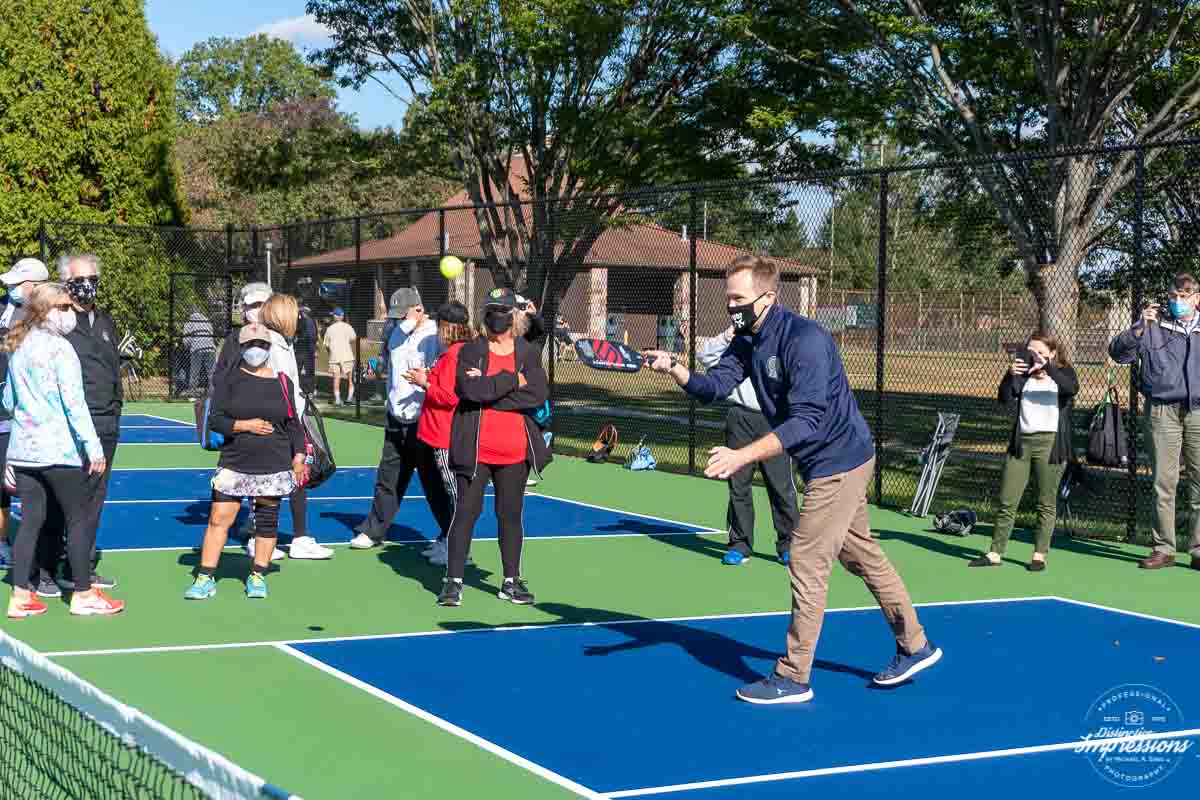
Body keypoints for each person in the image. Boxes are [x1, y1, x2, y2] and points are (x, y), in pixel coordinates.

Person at [642, 255, 940, 704]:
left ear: (769, 297)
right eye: (729, 298)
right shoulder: (747, 339)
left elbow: (807, 422)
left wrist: (741, 455)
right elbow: (716, 387)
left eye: (739, 299)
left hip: (840, 459)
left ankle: (793, 675)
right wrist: (677, 370)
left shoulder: (807, 341)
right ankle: (916, 644)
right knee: (860, 555)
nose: (732, 307)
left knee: (805, 558)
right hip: (826, 461)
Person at [3, 284, 122, 618]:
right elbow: (75, 404)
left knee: (30, 522)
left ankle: (21, 596)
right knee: (79, 519)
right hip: (60, 451)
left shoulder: (18, 346)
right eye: (66, 307)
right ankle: (83, 593)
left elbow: (9, 402)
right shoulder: (61, 349)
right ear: (47, 311)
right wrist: (93, 446)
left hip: (25, 451)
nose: (72, 313)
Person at [437, 288, 552, 608]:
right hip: (475, 449)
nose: (496, 317)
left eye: (502, 310)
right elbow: (469, 390)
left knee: (510, 516)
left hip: (514, 452)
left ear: (514, 316)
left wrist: (492, 386)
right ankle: (453, 582)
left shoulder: (527, 352)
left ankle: (511, 582)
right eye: (491, 310)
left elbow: (537, 395)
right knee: (466, 513)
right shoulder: (472, 350)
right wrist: (513, 379)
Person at [184, 323, 307, 601]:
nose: (256, 350)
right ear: (240, 348)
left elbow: (293, 424)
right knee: (219, 518)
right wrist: (245, 425)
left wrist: (299, 456)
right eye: (250, 345)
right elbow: (216, 420)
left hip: (273, 465)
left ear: (269, 349)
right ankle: (204, 577)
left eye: (262, 345)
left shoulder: (283, 382)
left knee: (266, 521)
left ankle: (257, 575)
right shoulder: (228, 380)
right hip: (235, 462)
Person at [34, 254, 124, 596]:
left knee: (92, 501)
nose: (87, 285)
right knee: (58, 499)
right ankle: (43, 569)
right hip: (67, 427)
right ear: (65, 282)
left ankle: (78, 568)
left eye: (93, 277)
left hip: (105, 424)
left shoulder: (105, 321)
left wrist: (115, 411)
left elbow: (112, 369)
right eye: (79, 278)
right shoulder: (56, 322)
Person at [1110, 272, 1200, 571]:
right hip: (1162, 411)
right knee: (1165, 481)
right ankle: (1164, 548)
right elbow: (1118, 353)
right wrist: (1138, 328)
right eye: (1173, 296)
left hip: (1198, 411)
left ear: (1196, 299)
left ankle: (1198, 549)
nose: (1177, 301)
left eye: (1184, 296)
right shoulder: (1152, 325)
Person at [350, 288, 453, 549]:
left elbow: (446, 370)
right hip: (396, 418)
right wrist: (369, 370)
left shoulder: (435, 335)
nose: (397, 320)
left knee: (433, 482)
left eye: (402, 315)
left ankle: (450, 536)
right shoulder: (394, 332)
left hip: (424, 420)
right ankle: (374, 531)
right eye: (394, 316)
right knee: (388, 478)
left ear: (418, 310)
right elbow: (383, 361)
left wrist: (426, 378)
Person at [971, 334, 1078, 571]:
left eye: (1038, 351)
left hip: (1050, 445)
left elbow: (1071, 389)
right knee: (1007, 499)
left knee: (1045, 502)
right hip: (1022, 444)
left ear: (1051, 352)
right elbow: (1004, 398)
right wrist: (1010, 376)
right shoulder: (1023, 374)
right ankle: (995, 552)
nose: (1033, 356)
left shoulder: (1063, 373)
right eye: (1030, 351)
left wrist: (1047, 366)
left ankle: (1039, 554)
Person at [697, 325, 799, 566]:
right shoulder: (738, 343)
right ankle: (740, 544)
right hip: (740, 419)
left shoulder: (782, 344)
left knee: (782, 487)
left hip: (775, 422)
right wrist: (727, 334)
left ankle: (790, 545)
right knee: (738, 485)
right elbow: (705, 356)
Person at [212, 282, 286, 561]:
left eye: (260, 305)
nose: (255, 310)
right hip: (241, 428)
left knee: (270, 485)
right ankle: (253, 534)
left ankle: (260, 532)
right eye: (250, 305)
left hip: (273, 428)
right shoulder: (235, 342)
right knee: (234, 490)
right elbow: (223, 380)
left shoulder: (279, 339)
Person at [258, 293, 334, 560]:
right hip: (280, 423)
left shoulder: (283, 344)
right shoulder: (272, 346)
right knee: (272, 478)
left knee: (296, 477)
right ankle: (262, 539)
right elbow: (279, 389)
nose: (298, 317)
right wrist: (293, 422)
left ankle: (299, 538)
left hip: (289, 420)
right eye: (293, 312)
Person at [406, 301, 474, 566]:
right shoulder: (451, 353)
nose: (436, 332)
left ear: (448, 327)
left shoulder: (457, 355)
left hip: (446, 435)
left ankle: (460, 550)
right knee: (444, 493)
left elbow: (451, 397)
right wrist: (428, 377)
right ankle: (448, 540)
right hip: (435, 432)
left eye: (439, 326)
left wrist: (425, 383)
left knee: (454, 494)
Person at [0, 257, 49, 570]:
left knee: (33, 489)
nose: (11, 290)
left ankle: (41, 554)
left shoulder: (46, 319)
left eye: (17, 284)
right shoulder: (5, 307)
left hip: (29, 419)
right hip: (5, 416)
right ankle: (3, 544)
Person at [323, 308, 357, 406]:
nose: (333, 316)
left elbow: (326, 345)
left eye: (334, 315)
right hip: (347, 356)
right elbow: (353, 338)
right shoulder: (348, 327)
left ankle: (338, 400)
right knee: (350, 378)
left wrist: (330, 353)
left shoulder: (330, 329)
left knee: (336, 378)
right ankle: (349, 398)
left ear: (338, 316)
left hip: (334, 356)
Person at [183, 310, 217, 395]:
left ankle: (193, 391)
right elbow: (211, 334)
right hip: (210, 348)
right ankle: (214, 392)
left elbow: (186, 340)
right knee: (211, 371)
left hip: (197, 348)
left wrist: (188, 346)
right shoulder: (207, 321)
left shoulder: (189, 323)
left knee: (194, 372)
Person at [295, 304, 318, 396]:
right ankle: (309, 389)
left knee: (300, 369)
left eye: (301, 312)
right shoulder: (311, 322)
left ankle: (306, 389)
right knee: (307, 370)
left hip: (304, 348)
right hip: (308, 348)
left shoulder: (304, 322)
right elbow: (314, 336)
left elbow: (310, 336)